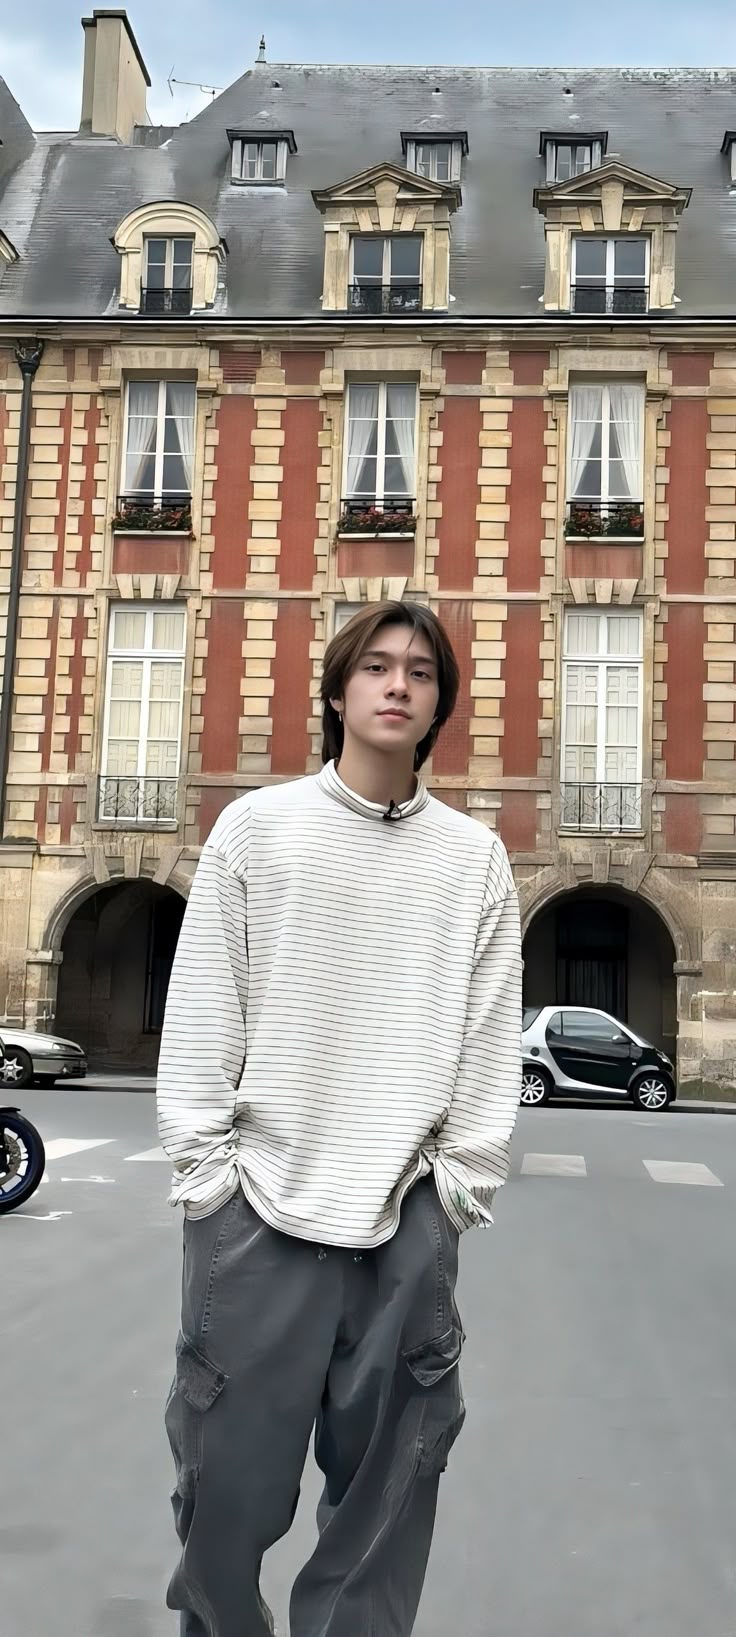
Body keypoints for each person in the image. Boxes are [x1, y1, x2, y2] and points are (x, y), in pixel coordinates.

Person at [157, 598, 522, 1637]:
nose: (398, 683)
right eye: (376, 665)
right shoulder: (257, 831)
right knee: (222, 1503)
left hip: (405, 1221)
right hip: (258, 1218)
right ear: (337, 689)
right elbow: (203, 1014)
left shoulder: (473, 859)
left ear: (440, 703)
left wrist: (456, 1193)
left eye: (421, 670)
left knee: (386, 1507)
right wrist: (210, 1185)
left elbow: (489, 1036)